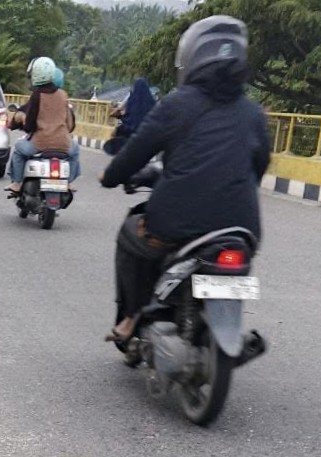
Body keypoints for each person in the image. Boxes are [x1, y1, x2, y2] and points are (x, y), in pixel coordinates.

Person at [99, 15, 270, 342]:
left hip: (175, 224)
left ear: (192, 58)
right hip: (242, 228)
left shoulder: (176, 105)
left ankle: (132, 317)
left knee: (131, 233)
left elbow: (134, 153)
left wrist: (110, 176)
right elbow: (259, 166)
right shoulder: (252, 112)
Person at [6, 57, 75, 194]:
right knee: (74, 153)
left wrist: (25, 124)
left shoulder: (37, 95)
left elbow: (30, 125)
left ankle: (17, 183)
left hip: (41, 144)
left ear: (36, 74)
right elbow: (69, 123)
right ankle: (67, 182)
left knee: (19, 148)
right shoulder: (63, 94)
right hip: (63, 144)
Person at [104, 77, 157, 156]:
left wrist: (119, 116)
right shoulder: (152, 103)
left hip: (131, 136)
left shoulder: (133, 100)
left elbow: (130, 119)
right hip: (147, 137)